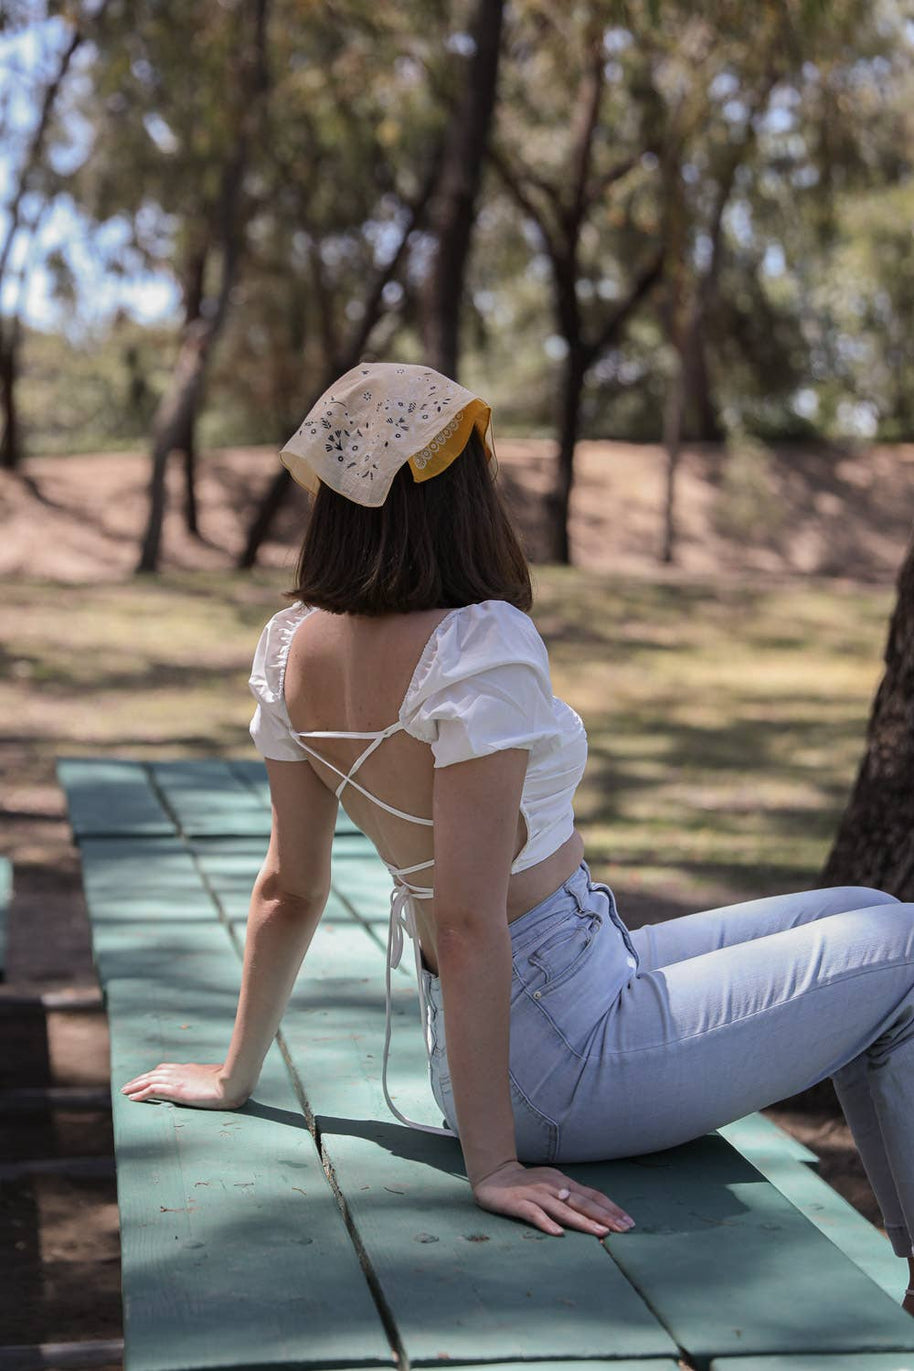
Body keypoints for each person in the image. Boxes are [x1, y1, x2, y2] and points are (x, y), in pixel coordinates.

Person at [121, 361, 914, 1307]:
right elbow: (466, 919)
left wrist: (233, 1074)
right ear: (457, 492)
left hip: (547, 1000)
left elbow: (290, 889)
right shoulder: (478, 640)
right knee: (905, 953)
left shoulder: (288, 645)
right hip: (560, 1053)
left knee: (873, 911)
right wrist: (492, 1165)